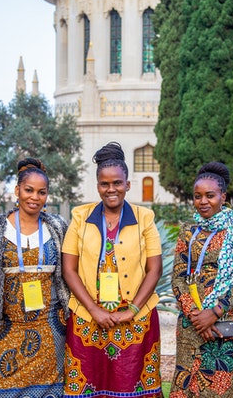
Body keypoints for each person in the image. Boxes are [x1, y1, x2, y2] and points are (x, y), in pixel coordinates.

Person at [62, 142, 164, 398]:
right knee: (86, 386)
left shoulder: (145, 218)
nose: (111, 189)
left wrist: (132, 310)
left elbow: (155, 269)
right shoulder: (79, 218)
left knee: (134, 386)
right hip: (88, 318)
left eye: (117, 183)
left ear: (128, 184)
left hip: (135, 320)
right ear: (97, 186)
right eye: (105, 184)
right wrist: (93, 310)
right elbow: (69, 269)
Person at [0, 158, 70, 398]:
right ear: (17, 191)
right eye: (29, 190)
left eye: (41, 192)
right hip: (8, 328)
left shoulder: (57, 226)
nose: (34, 197)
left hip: (51, 330)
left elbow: (68, 275)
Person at [169, 162, 233, 398]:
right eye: (197, 196)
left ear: (223, 196)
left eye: (210, 195)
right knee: (187, 387)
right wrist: (196, 315)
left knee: (225, 389)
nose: (203, 201)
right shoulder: (188, 230)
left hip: (232, 324)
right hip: (193, 325)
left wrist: (216, 311)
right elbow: (178, 277)